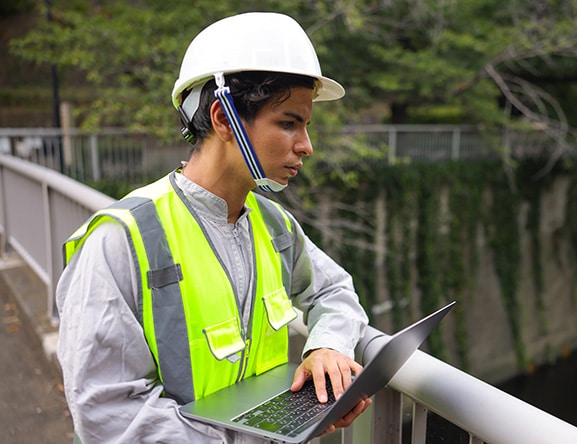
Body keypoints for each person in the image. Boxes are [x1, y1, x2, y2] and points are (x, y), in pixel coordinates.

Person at [56, 12, 371, 443]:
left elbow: (335, 291)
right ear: (223, 119)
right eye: (288, 122)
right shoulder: (121, 240)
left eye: (306, 125)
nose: (306, 145)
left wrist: (327, 347)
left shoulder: (275, 225)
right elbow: (105, 412)